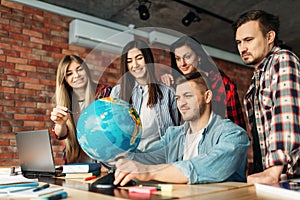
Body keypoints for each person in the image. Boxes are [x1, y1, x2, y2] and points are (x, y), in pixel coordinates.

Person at [113, 72, 249, 185]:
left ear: (207, 96)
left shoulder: (233, 135)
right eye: (178, 98)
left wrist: (148, 172)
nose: (181, 104)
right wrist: (113, 152)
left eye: (188, 96)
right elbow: (146, 157)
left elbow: (201, 167)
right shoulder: (173, 135)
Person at [233, 10, 300, 184]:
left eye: (248, 40)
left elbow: (287, 115)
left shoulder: (283, 60)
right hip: (269, 175)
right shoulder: (258, 77)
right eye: (239, 42)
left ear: (269, 37)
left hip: (286, 177)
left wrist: (274, 170)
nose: (242, 48)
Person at [161, 36, 246, 129]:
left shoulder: (221, 83)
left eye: (187, 57)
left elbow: (237, 126)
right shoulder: (176, 83)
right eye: (178, 59)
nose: (182, 63)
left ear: (199, 57)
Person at [110, 39, 180, 151]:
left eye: (139, 58)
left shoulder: (167, 92)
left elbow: (176, 131)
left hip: (159, 158)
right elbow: (113, 131)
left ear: (147, 59)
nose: (135, 65)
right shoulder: (117, 92)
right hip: (129, 157)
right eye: (129, 61)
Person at [50, 55, 111, 164]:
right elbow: (61, 135)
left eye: (79, 69)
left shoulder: (105, 93)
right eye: (69, 74)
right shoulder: (65, 101)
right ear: (64, 79)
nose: (76, 75)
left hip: (102, 164)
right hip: (75, 165)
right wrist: (60, 124)